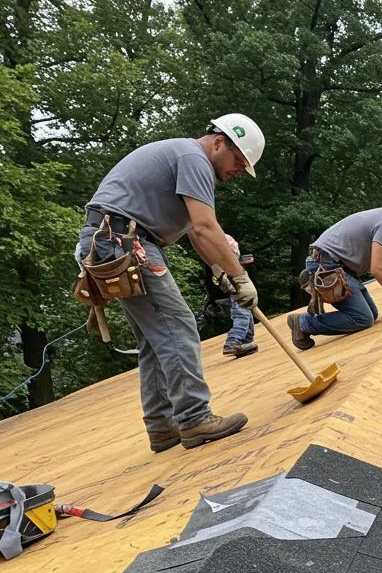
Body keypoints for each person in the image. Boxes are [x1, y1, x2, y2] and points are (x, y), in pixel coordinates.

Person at [76, 114, 263, 452]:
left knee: (156, 338)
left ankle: (162, 427)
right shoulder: (194, 159)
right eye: (238, 161)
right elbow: (206, 227)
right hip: (123, 241)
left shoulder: (183, 158)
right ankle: (194, 419)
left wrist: (219, 271)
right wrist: (240, 275)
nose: (239, 170)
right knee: (177, 327)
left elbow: (195, 232)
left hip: (111, 238)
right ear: (219, 142)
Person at [287, 192, 382, 351]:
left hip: (341, 268)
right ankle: (303, 323)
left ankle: (308, 319)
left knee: (371, 314)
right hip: (326, 265)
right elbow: (379, 270)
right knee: (362, 318)